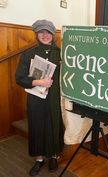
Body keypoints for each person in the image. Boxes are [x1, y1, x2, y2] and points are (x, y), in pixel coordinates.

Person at [15, 19, 64, 176]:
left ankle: (54, 156)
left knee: (55, 125)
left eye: (48, 32)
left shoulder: (62, 53)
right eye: (41, 32)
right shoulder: (28, 54)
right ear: (36, 34)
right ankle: (39, 159)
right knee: (37, 126)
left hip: (56, 98)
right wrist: (38, 81)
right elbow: (19, 78)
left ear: (53, 35)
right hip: (36, 97)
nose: (45, 35)